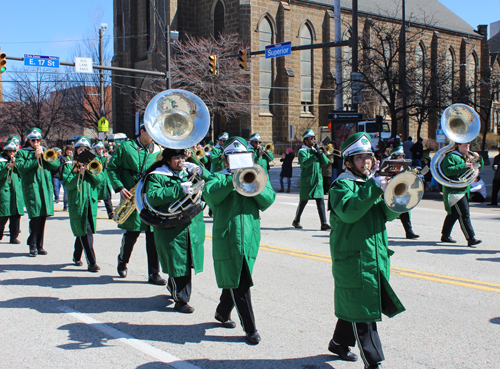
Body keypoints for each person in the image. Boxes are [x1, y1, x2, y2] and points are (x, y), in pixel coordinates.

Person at [327, 132, 405, 369]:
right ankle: (374, 362)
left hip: (374, 255)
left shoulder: (373, 183)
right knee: (364, 312)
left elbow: (387, 215)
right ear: (348, 163)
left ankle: (339, 343)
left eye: (368, 157)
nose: (366, 162)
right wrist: (373, 187)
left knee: (357, 302)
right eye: (360, 158)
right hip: (353, 259)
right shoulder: (341, 185)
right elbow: (350, 211)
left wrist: (395, 197)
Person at [203, 137, 276, 344]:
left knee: (236, 277)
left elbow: (268, 200)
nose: (236, 161)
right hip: (228, 236)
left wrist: (250, 182)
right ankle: (250, 329)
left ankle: (222, 312)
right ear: (225, 161)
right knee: (241, 280)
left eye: (242, 157)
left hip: (250, 236)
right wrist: (233, 180)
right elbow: (211, 197)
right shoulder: (217, 178)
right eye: (232, 158)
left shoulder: (256, 175)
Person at [143, 148, 212, 313]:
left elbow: (211, 180)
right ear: (167, 160)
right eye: (176, 158)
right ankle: (181, 300)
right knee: (178, 263)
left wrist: (197, 166)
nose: (181, 160)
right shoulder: (156, 175)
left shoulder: (188, 171)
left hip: (191, 225)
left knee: (187, 262)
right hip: (171, 227)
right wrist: (178, 189)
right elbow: (152, 196)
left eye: (182, 157)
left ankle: (176, 290)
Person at [107, 125, 166, 285]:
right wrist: (120, 187)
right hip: (132, 196)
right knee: (132, 234)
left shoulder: (159, 150)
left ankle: (154, 273)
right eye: (151, 132)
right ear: (142, 131)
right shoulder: (126, 147)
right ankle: (122, 260)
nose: (154, 136)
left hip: (151, 198)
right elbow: (112, 169)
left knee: (153, 236)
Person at [62, 136, 104, 272]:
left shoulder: (94, 163)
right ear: (76, 151)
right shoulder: (69, 165)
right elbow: (67, 183)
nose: (83, 152)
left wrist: (90, 171)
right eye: (81, 150)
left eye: (86, 150)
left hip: (90, 202)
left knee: (84, 230)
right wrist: (78, 173)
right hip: (78, 202)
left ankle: (76, 256)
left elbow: (100, 180)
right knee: (86, 231)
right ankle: (92, 262)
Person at [16, 128, 60, 256]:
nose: (36, 142)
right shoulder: (22, 153)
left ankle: (39, 245)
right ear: (28, 141)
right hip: (32, 188)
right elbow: (21, 169)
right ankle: (33, 245)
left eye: (38, 140)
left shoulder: (45, 151)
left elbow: (56, 165)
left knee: (42, 217)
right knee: (35, 216)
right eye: (33, 140)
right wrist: (35, 159)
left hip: (45, 188)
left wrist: (45, 157)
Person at [440, 142, 483, 247]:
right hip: (454, 190)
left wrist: (479, 159)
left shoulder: (467, 157)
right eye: (464, 145)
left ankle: (445, 235)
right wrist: (464, 166)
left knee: (454, 214)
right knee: (464, 214)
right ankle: (471, 238)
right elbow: (447, 171)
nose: (467, 148)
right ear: (458, 146)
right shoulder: (451, 156)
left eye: (468, 145)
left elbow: (478, 168)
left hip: (463, 189)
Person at [292, 129, 330, 231]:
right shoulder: (302, 152)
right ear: (306, 140)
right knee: (303, 201)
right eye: (311, 138)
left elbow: (326, 162)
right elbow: (305, 164)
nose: (313, 140)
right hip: (307, 180)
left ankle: (324, 223)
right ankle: (296, 220)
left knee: (320, 201)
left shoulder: (315, 150)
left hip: (318, 180)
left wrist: (321, 153)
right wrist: (315, 155)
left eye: (314, 138)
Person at [388, 146, 419, 239]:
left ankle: (409, 232)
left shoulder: (405, 166)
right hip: (391, 194)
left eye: (402, 156)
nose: (402, 158)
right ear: (394, 157)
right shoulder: (389, 167)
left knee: (405, 212)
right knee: (384, 214)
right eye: (399, 157)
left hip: (401, 193)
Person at [0, 138, 25, 244]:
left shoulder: (17, 162)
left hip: (16, 192)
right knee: (3, 215)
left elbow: (23, 174)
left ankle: (14, 236)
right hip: (5, 191)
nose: (12, 154)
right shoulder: (1, 161)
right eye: (10, 151)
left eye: (13, 151)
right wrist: (6, 168)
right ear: (5, 151)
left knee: (16, 216)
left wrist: (16, 165)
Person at [93, 141, 114, 219]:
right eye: (98, 149)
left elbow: (110, 166)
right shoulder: (94, 157)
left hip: (105, 181)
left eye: (101, 148)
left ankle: (111, 213)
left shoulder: (105, 156)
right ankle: (92, 213)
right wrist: (104, 158)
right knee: (94, 198)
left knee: (107, 198)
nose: (100, 150)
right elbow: (98, 164)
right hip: (97, 181)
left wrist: (108, 158)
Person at [60, 145, 74, 211]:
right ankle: (66, 205)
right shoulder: (63, 158)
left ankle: (71, 204)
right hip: (64, 177)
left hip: (72, 177)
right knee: (66, 191)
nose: (69, 151)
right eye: (68, 150)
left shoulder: (74, 158)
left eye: (70, 150)